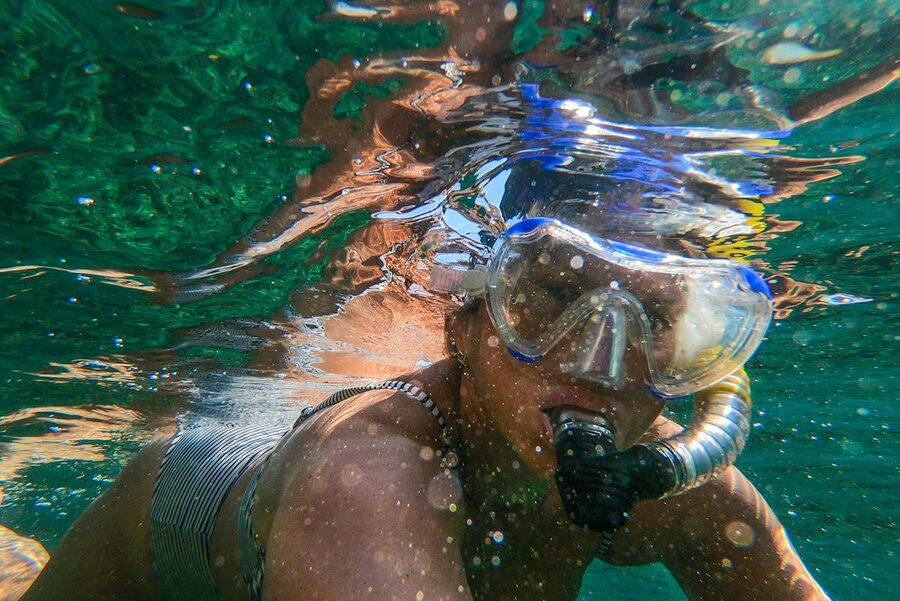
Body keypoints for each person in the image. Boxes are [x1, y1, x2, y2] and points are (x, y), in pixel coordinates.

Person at [22, 216, 831, 601]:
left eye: (654, 321)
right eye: (551, 295)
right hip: (178, 510)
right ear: (463, 322)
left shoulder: (667, 481)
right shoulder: (367, 471)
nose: (600, 360)